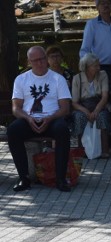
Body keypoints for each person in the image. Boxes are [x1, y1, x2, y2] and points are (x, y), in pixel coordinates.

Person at [7, 46, 72, 192]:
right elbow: (16, 108)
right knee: (13, 130)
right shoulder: (21, 79)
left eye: (42, 59)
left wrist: (49, 118)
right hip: (29, 119)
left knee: (62, 130)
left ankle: (61, 179)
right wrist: (28, 118)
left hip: (52, 119)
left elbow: (65, 109)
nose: (40, 63)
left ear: (46, 58)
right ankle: (24, 178)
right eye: (35, 60)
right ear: (29, 62)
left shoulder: (58, 79)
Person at [71, 53, 111, 159]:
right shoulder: (77, 78)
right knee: (79, 117)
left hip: (99, 104)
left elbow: (104, 96)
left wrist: (96, 110)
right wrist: (87, 112)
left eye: (98, 65)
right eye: (95, 66)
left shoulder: (103, 75)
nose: (98, 68)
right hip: (83, 106)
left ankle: (104, 150)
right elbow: (74, 102)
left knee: (102, 116)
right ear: (86, 67)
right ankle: (81, 149)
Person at [79, 0, 111, 75]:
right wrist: (86, 69)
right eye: (102, 3)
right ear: (97, 7)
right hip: (101, 68)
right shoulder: (92, 24)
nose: (106, 5)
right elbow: (85, 49)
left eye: (108, 3)